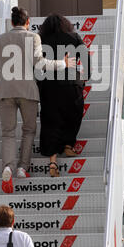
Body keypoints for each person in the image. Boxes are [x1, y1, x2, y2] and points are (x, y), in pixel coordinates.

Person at [0, 6, 75, 193]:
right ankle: (22, 168)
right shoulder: (33, 37)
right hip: (28, 91)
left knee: (8, 133)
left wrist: (0, 88)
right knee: (29, 130)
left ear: (12, 22)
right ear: (28, 23)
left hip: (6, 91)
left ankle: (7, 167)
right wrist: (63, 63)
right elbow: (40, 63)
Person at [38, 13, 91, 177]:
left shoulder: (41, 39)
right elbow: (86, 57)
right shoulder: (73, 36)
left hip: (48, 85)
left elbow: (37, 64)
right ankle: (69, 144)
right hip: (70, 84)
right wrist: (84, 77)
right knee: (73, 114)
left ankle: (52, 161)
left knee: (51, 121)